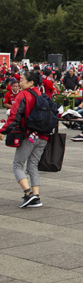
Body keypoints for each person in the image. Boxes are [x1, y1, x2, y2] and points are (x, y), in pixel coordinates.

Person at [0, 71, 49, 208]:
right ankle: (36, 196)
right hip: (43, 136)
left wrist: (2, 131)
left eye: (21, 80)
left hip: (29, 135)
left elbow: (14, 117)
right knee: (33, 165)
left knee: (17, 165)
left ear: (30, 82)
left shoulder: (23, 95)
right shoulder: (41, 95)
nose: (19, 83)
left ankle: (28, 193)